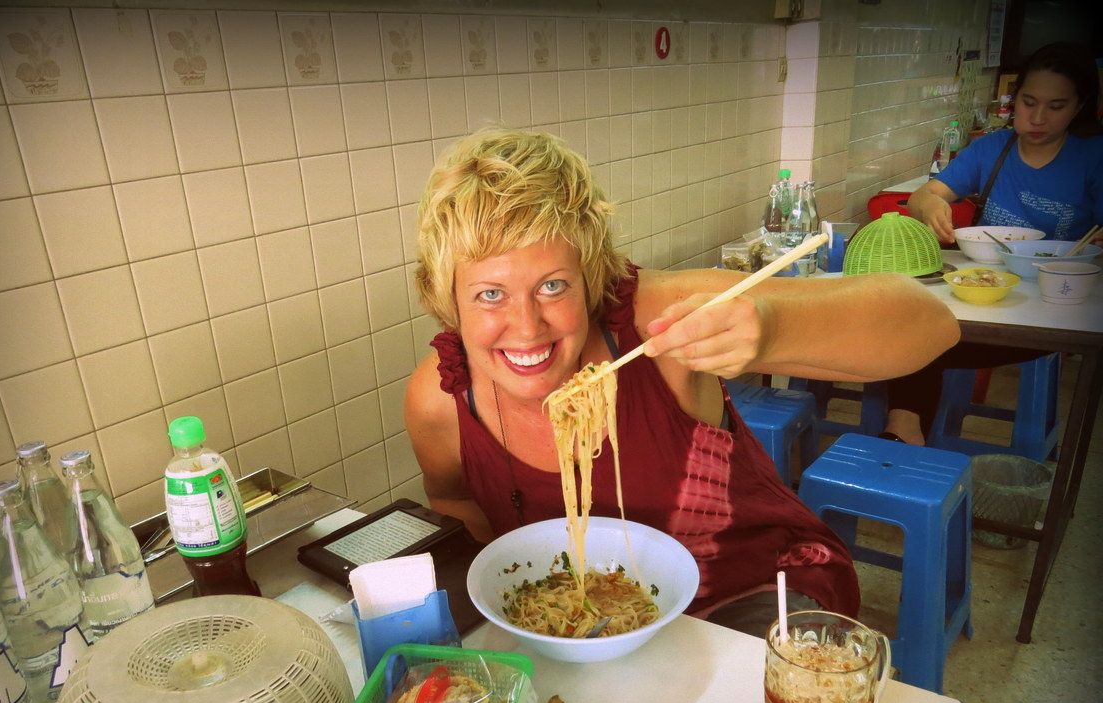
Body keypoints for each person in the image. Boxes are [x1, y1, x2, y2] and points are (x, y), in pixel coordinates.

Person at [404, 127, 960, 634]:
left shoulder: (656, 321)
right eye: (490, 294)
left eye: (553, 287)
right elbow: (457, 509)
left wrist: (770, 330)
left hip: (751, 591)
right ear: (446, 298)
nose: (526, 328)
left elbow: (930, 325)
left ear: (591, 277)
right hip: (586, 628)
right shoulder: (441, 400)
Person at [884, 41, 1103, 445]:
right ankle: (902, 437)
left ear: (1079, 105)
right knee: (904, 329)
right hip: (980, 294)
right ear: (1013, 99)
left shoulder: (1092, 157)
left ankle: (904, 436)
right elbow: (921, 196)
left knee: (917, 342)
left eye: (1056, 106)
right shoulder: (991, 148)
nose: (1037, 118)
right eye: (1029, 102)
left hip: (1048, 312)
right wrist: (930, 206)